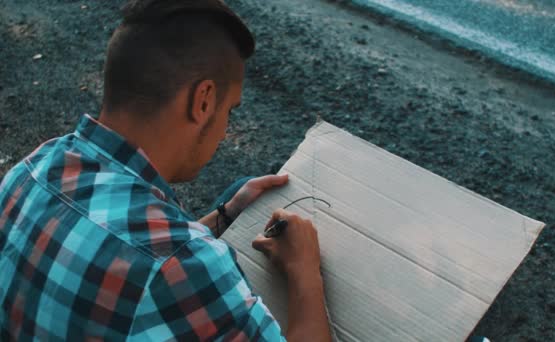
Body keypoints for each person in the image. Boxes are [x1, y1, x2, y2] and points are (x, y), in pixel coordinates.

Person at [0, 0, 331, 341]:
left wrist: (224, 214)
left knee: (239, 187)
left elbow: (129, 252)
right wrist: (304, 271)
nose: (223, 131)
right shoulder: (182, 267)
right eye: (229, 111)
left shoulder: (32, 168)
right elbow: (164, 264)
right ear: (203, 101)